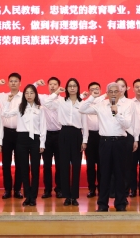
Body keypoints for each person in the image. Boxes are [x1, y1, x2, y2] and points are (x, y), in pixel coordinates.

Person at [79, 82, 133, 212]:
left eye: (116, 91)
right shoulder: (100, 105)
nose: (113, 94)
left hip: (120, 142)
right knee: (104, 174)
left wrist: (117, 113)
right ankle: (102, 204)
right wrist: (92, 97)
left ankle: (120, 203)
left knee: (120, 173)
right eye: (111, 92)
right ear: (107, 93)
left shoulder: (127, 105)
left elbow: (127, 124)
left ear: (120, 93)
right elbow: (82, 109)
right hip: (105, 142)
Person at [3, 84, 47, 207]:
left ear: (35, 94)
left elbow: (43, 127)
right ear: (24, 95)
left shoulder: (40, 108)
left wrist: (42, 143)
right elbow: (5, 114)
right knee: (24, 169)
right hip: (21, 139)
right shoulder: (20, 107)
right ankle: (27, 196)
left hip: (35, 139)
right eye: (26, 93)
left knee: (35, 169)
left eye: (31, 93)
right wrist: (8, 101)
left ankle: (33, 196)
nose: (29, 95)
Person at [44, 77, 86, 206]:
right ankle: (67, 196)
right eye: (70, 86)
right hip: (63, 133)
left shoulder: (82, 103)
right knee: (64, 166)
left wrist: (84, 140)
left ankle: (74, 196)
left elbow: (85, 123)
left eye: (74, 86)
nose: (72, 88)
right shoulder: (61, 101)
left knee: (76, 166)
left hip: (77, 134)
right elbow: (46, 103)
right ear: (66, 88)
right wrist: (56, 92)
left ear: (78, 88)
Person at [0, 73, 26, 200]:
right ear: (7, 83)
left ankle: (17, 189)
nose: (13, 83)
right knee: (6, 163)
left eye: (16, 81)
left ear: (20, 83)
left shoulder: (24, 97)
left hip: (20, 132)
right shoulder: (2, 96)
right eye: (11, 81)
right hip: (5, 133)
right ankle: (7, 189)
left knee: (20, 162)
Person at [35, 78, 63, 199]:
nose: (52, 86)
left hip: (60, 134)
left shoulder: (63, 100)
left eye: (55, 84)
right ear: (47, 86)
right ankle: (47, 190)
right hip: (45, 135)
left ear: (59, 86)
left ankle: (59, 188)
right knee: (47, 165)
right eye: (50, 84)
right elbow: (30, 91)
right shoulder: (43, 98)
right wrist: (36, 84)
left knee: (60, 164)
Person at [82, 82, 102, 198]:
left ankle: (102, 187)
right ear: (89, 92)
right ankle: (91, 188)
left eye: (97, 88)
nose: (95, 90)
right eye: (92, 89)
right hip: (90, 137)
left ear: (100, 90)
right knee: (90, 165)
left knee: (102, 164)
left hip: (102, 136)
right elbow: (84, 124)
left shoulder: (105, 103)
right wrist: (84, 140)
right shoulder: (86, 104)